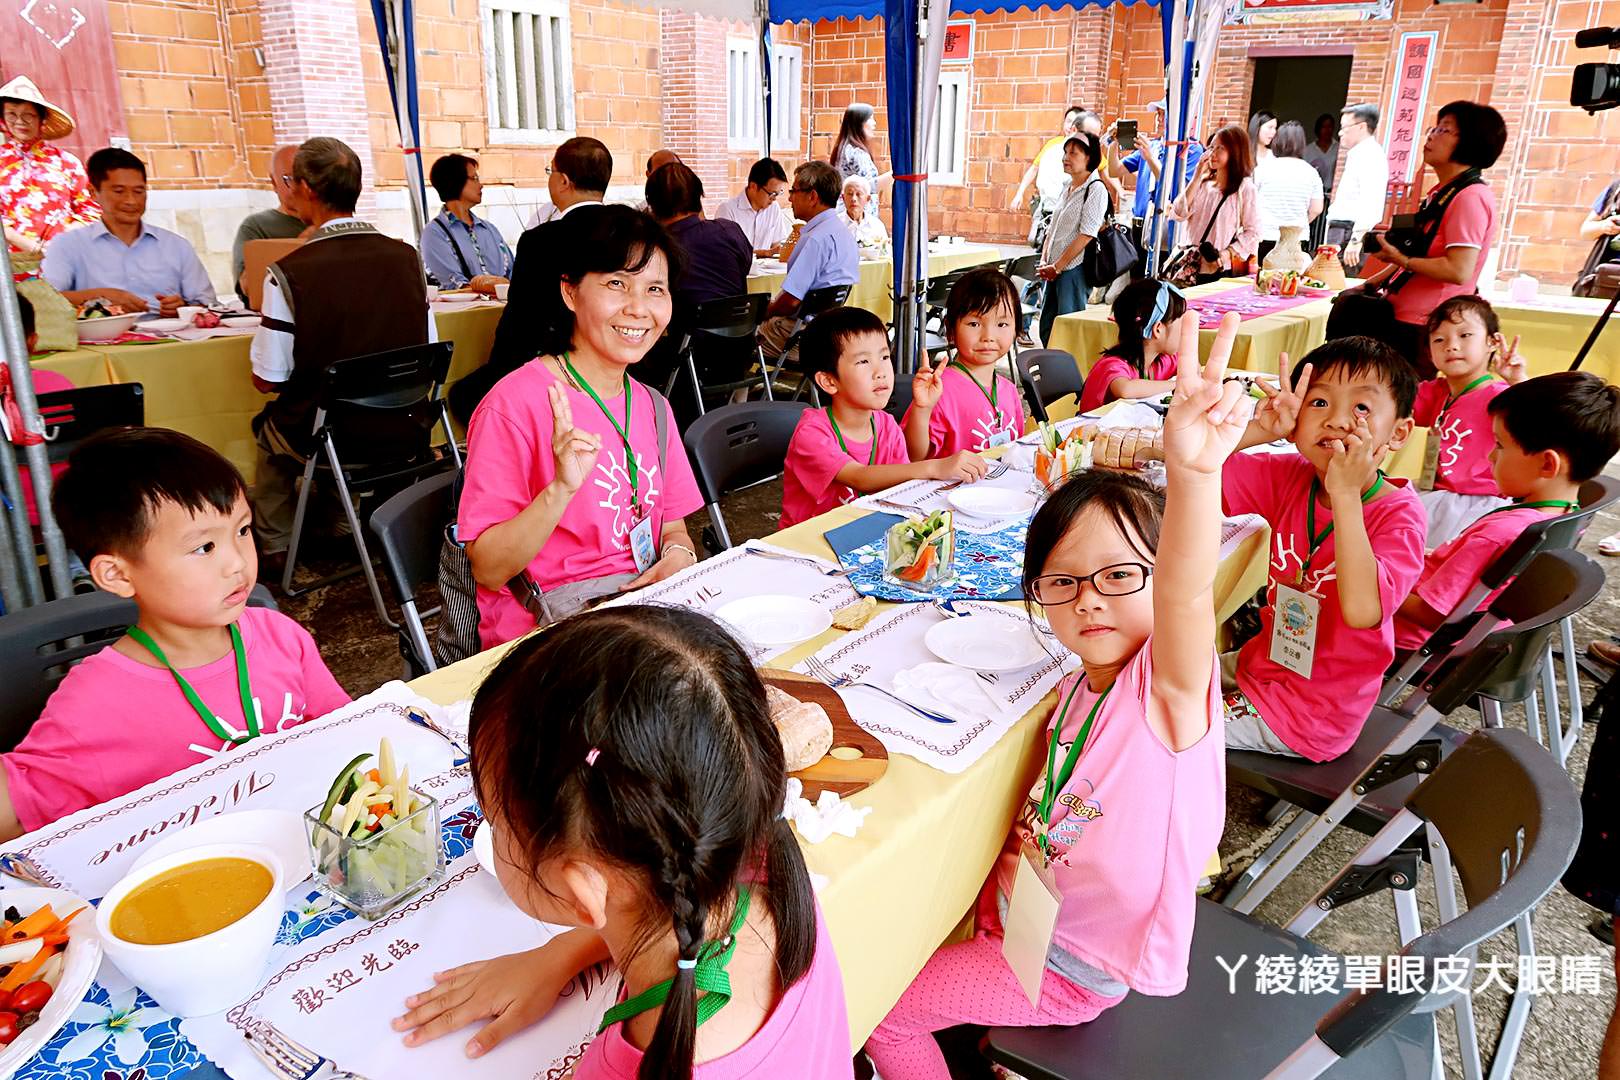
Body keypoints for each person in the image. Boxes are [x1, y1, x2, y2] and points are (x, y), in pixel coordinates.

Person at [864, 314, 1246, 1079]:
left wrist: (1197, 473)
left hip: (1074, 963)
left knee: (884, 1013)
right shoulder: (1079, 685)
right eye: (1062, 583)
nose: (1091, 601)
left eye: (1118, 575)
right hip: (1029, 918)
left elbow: (1185, 592)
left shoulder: (1164, 693)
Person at [392, 606, 852, 1078]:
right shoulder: (763, 867)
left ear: (580, 893)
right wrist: (561, 953)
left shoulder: (630, 1067)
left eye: (492, 815)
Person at [0, 428, 349, 840]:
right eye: (204, 548)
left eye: (242, 530)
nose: (237, 563)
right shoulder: (96, 700)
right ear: (117, 574)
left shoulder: (278, 635)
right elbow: (17, 814)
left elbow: (342, 729)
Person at [457, 206, 702, 649]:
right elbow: (489, 570)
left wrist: (679, 555)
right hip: (551, 633)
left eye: (655, 289)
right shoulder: (515, 405)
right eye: (616, 284)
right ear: (570, 293)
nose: (638, 308)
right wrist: (560, 490)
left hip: (645, 613)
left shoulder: (652, 407)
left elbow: (672, 528)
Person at [1221, 335, 1426, 760]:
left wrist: (1347, 495)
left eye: (1362, 408)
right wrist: (1263, 430)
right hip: (1262, 664)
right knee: (1149, 673)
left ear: (1400, 431)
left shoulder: (1400, 516)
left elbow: (1363, 611)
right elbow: (1203, 465)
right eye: (1318, 403)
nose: (1335, 420)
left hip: (1311, 713)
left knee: (1157, 721)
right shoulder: (1292, 476)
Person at [249, 137, 432, 563]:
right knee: (323, 407)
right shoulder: (406, 257)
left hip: (334, 433)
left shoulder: (290, 272)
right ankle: (344, 520)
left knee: (271, 428)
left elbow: (267, 380)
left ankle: (276, 545)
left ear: (307, 190)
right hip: (407, 425)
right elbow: (426, 349)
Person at [1393, 371, 1620, 652]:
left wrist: (1372, 584)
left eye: (1499, 445)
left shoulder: (1500, 534)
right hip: (1460, 627)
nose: (1490, 456)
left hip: (1409, 637)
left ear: (1547, 465)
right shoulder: (1566, 515)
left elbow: (1430, 614)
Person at [780, 306, 988, 529]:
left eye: (884, 356)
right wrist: (936, 467)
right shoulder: (812, 433)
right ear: (829, 382)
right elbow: (859, 477)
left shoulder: (885, 424)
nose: (880, 371)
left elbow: (904, 481)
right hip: (808, 543)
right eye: (863, 361)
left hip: (864, 533)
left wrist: (922, 407)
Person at [464, 137, 612, 424]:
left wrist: (499, 369)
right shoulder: (631, 230)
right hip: (618, 363)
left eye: (550, 171)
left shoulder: (541, 240)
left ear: (563, 181)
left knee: (464, 394)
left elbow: (519, 321)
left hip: (557, 366)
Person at [1358, 102, 1506, 375]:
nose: (1432, 135)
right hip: (1404, 316)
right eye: (1434, 127)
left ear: (1470, 142)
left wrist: (1401, 258)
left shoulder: (1470, 197)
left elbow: (1458, 269)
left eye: (1444, 130)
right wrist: (1377, 278)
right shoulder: (1443, 192)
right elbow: (1423, 255)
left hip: (1425, 323)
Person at [1410, 295, 1529, 546]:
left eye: (1465, 336)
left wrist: (1518, 383)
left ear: (1492, 342)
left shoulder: (1500, 395)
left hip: (1477, 503)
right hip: (1438, 493)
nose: (1451, 346)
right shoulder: (1437, 391)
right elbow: (1397, 407)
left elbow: (1545, 422)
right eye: (1439, 339)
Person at [41, 148, 215, 317]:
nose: (131, 201)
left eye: (139, 191)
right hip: (102, 343)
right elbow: (45, 300)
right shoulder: (68, 245)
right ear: (93, 192)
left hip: (173, 340)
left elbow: (207, 304)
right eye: (119, 191)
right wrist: (101, 296)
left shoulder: (176, 245)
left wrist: (183, 308)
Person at [637, 162, 753, 401]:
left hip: (690, 354)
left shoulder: (661, 249)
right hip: (741, 349)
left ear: (653, 206)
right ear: (698, 197)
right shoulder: (728, 231)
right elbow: (744, 268)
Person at [903, 268, 1026, 458]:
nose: (988, 337)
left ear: (1016, 328)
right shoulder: (938, 390)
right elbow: (914, 457)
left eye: (1002, 324)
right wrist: (922, 409)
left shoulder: (1009, 391)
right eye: (974, 324)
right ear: (950, 329)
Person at [757, 161, 859, 360]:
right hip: (826, 330)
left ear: (812, 196)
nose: (790, 198)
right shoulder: (844, 234)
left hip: (799, 334)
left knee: (739, 336)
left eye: (794, 191)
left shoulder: (814, 239)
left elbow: (791, 301)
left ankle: (738, 391)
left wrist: (764, 312)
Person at [0, 76, 98, 256]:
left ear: (41, 119)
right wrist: (29, 246)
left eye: (28, 114)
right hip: (11, 264)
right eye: (12, 114)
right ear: (3, 119)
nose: (20, 121)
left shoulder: (66, 162)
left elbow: (90, 210)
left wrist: (63, 237)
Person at [1104, 100, 1205, 256]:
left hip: (1165, 228)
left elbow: (1175, 191)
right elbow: (1114, 171)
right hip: (1138, 227)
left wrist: (1150, 157)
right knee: (1136, 279)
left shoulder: (1190, 149)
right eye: (1158, 114)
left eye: (1164, 114)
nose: (1159, 119)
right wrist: (1113, 144)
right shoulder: (1153, 145)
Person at [1036, 132, 1109, 345]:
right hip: (1054, 269)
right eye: (1065, 152)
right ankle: (1047, 371)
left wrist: (1058, 266)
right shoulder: (1067, 186)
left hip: (1073, 270)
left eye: (1073, 153)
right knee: (1047, 325)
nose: (1066, 157)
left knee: (1068, 329)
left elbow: (1086, 234)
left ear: (1089, 157)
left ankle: (1066, 375)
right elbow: (1054, 227)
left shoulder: (1096, 189)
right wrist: (1045, 261)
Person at [1169, 124, 1261, 284]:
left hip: (1218, 268)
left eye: (1221, 148)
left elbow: (1253, 232)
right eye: (1211, 147)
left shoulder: (1244, 188)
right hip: (1189, 266)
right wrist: (1197, 175)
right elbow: (1178, 213)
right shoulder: (1203, 184)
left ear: (1236, 152)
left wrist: (1227, 253)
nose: (1213, 153)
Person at [1079, 278, 1187, 413]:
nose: (1185, 330)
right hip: (1089, 432)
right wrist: (1178, 383)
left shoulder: (1161, 360)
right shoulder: (1112, 365)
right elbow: (1126, 389)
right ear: (1158, 329)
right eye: (1181, 323)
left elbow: (1192, 368)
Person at [420, 153, 514, 295]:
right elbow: (455, 285)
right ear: (455, 181)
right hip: (466, 314)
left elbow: (513, 271)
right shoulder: (434, 233)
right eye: (474, 178)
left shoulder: (488, 229)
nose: (481, 185)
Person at [230, 145, 305, 303]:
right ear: (274, 182)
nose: (299, 187)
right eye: (290, 179)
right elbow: (249, 288)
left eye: (305, 178)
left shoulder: (328, 221)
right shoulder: (256, 226)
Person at [1323, 104, 1389, 272]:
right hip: (1343, 230)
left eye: (1345, 128)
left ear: (1361, 127)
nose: (1340, 133)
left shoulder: (1370, 155)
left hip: (1349, 232)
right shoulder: (1359, 153)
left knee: (1337, 285)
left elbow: (1372, 201)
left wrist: (1356, 239)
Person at [1253, 121, 1324, 267]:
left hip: (1265, 235)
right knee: (1289, 282)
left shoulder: (1263, 168)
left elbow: (1250, 202)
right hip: (1296, 238)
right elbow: (1316, 209)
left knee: (1261, 280)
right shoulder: (1311, 172)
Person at [715, 158, 792, 257]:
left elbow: (776, 245)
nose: (774, 199)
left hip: (769, 271)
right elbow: (724, 252)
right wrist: (763, 253)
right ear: (753, 186)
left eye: (778, 193)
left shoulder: (774, 208)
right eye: (772, 193)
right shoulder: (728, 210)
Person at [830, 103, 890, 202]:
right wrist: (896, 174)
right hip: (856, 214)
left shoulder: (846, 148)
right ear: (859, 123)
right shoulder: (856, 153)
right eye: (870, 119)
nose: (874, 123)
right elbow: (868, 187)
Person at [837, 175, 888, 255]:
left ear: (868, 199)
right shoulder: (835, 224)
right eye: (850, 194)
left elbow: (885, 254)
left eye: (858, 194)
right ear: (843, 198)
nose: (853, 199)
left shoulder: (876, 225)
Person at [1303, 113, 1339, 198]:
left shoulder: (1339, 148)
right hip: (1312, 194)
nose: (1327, 130)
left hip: (1332, 194)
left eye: (1330, 126)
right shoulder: (1308, 150)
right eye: (1324, 127)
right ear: (1318, 128)